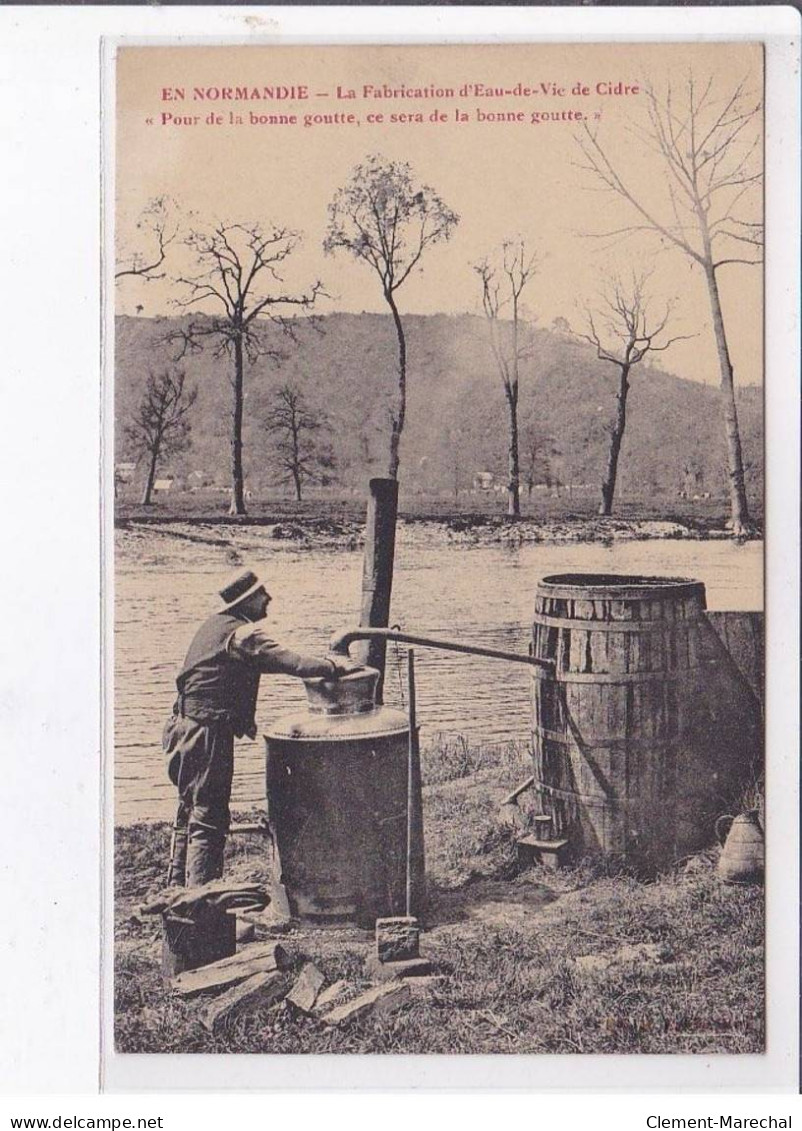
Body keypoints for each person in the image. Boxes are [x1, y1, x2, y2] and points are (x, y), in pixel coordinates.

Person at [163, 567, 360, 887]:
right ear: (247, 600)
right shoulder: (244, 635)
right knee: (210, 820)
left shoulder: (213, 626)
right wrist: (334, 666)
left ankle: (176, 890)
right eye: (262, 594)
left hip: (181, 727)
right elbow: (291, 662)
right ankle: (201, 904)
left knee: (190, 811)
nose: (268, 598)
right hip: (205, 733)